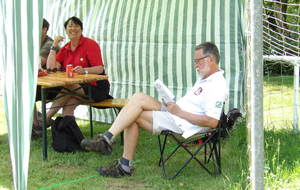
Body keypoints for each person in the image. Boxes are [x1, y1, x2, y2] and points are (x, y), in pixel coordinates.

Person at [80, 42, 227, 178]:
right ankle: (107, 139)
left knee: (133, 115)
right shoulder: (205, 77)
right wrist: (171, 104)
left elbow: (212, 122)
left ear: (210, 59)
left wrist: (179, 112)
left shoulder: (217, 85)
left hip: (183, 123)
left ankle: (120, 160)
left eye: (198, 60)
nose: (195, 65)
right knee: (138, 98)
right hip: (176, 113)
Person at [45, 16, 110, 121]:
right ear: (66, 30)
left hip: (97, 88)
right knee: (67, 108)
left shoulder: (90, 44)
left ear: (81, 29)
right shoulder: (65, 48)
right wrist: (54, 46)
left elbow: (100, 69)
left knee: (69, 85)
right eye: (70, 26)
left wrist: (84, 70)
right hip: (76, 89)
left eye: (76, 26)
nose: (73, 29)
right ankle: (71, 135)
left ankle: (46, 118)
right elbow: (51, 68)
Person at [32, 18, 59, 138]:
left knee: (28, 94)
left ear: (45, 29)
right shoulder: (33, 41)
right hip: (41, 82)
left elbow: (37, 61)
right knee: (25, 94)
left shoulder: (49, 43)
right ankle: (37, 123)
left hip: (54, 84)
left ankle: (38, 124)